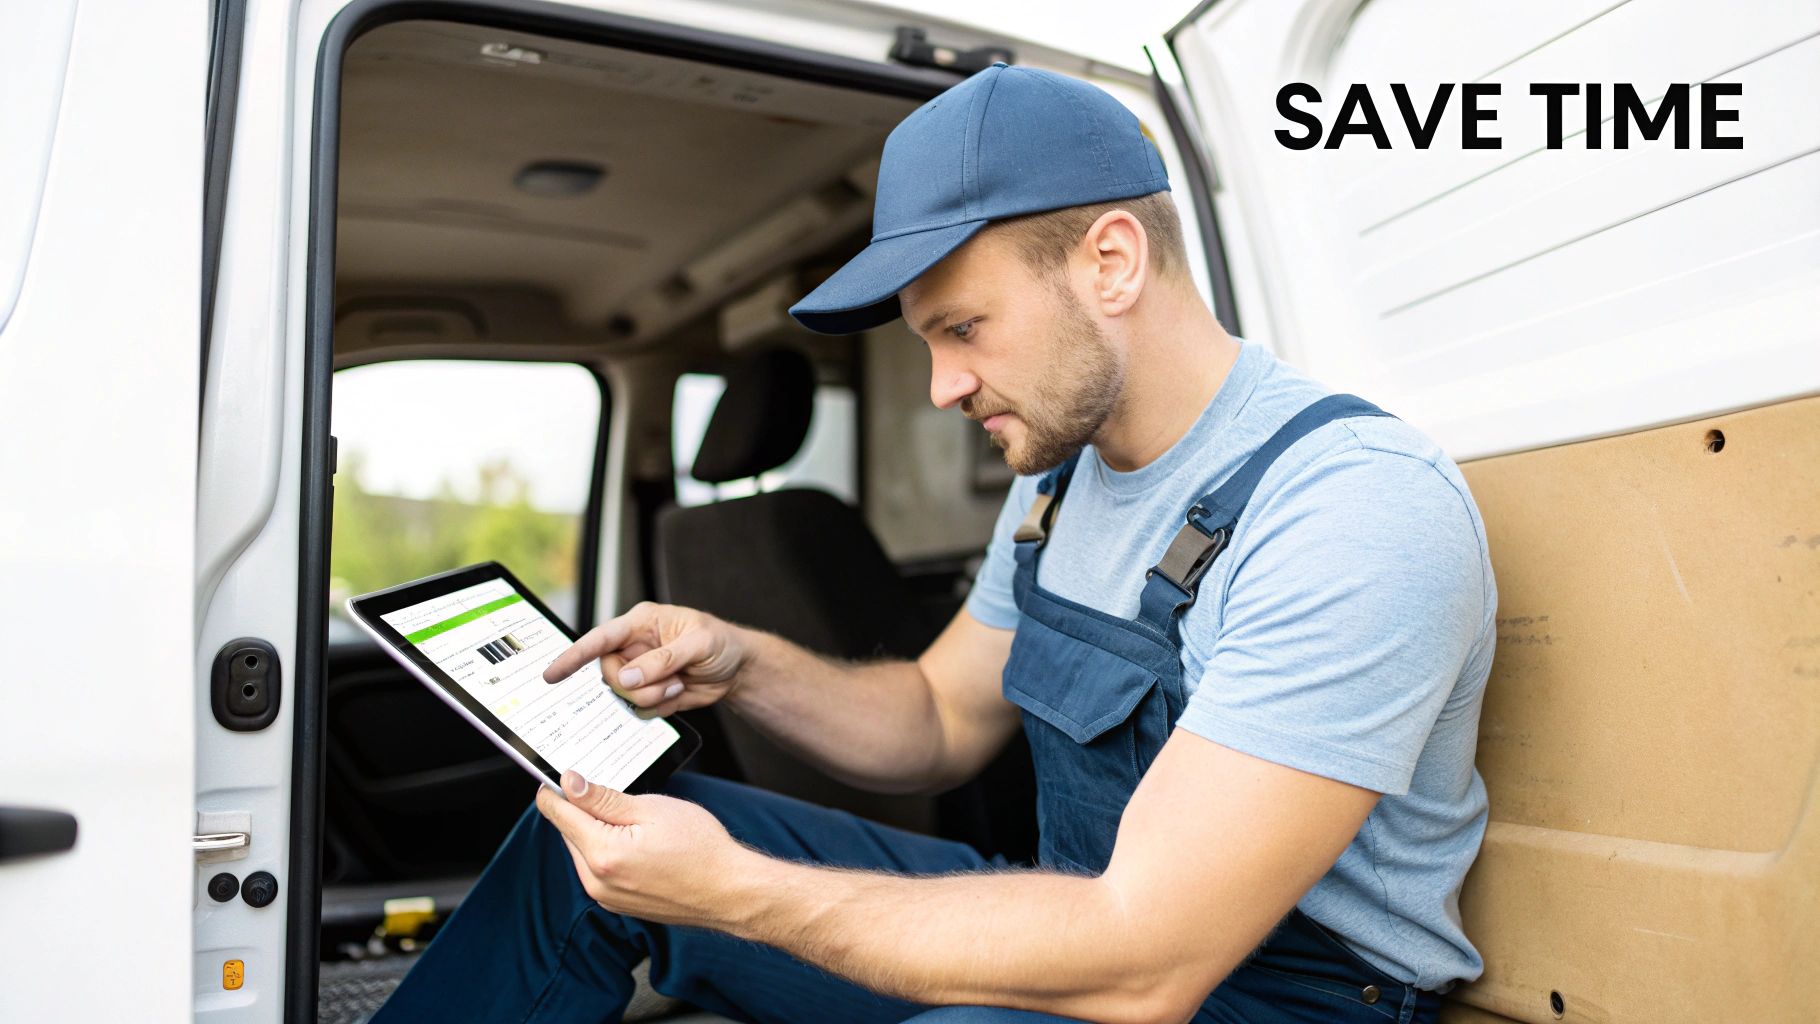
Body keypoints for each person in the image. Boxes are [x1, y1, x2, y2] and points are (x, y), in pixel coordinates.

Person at [374, 62, 1494, 1024]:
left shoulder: (1346, 508)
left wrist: (734, 892)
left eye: (962, 329)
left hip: (1261, 991)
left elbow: (1150, 957)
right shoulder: (1060, 477)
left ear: (1109, 262)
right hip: (1080, 914)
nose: (943, 384)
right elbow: (938, 718)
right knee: (585, 854)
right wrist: (743, 663)